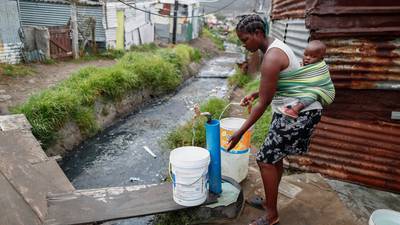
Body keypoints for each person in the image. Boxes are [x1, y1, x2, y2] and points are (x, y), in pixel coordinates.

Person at [227, 14, 324, 225]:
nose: (244, 46)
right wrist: (255, 94)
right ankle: (270, 203)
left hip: (299, 114)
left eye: (245, 40)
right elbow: (275, 85)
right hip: (291, 109)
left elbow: (262, 105)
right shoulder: (274, 48)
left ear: (258, 33)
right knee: (274, 157)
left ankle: (271, 216)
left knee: (264, 160)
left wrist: (240, 132)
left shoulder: (272, 57)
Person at [281, 40, 335, 118]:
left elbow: (316, 82)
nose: (307, 58)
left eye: (313, 57)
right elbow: (299, 78)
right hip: (310, 88)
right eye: (306, 55)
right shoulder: (303, 64)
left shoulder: (321, 68)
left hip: (323, 92)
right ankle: (290, 105)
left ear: (321, 58)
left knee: (311, 94)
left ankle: (295, 110)